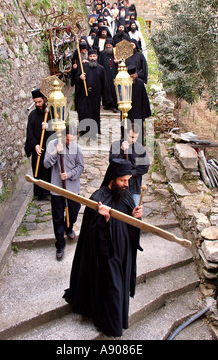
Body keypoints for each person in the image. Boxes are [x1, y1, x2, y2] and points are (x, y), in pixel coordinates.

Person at [63, 158, 143, 337]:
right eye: (123, 180)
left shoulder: (126, 195)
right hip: (106, 258)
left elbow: (130, 225)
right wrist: (106, 220)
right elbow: (93, 236)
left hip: (123, 254)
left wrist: (135, 216)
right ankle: (110, 326)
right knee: (112, 290)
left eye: (128, 180)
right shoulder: (97, 199)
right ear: (113, 178)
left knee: (118, 289)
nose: (126, 184)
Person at [44, 125, 84, 260]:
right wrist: (56, 152)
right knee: (57, 217)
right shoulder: (52, 144)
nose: (69, 143)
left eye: (72, 140)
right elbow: (46, 164)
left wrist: (69, 174)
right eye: (67, 140)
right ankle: (60, 244)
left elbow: (80, 166)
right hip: (57, 188)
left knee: (74, 211)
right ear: (62, 136)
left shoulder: (77, 148)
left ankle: (69, 226)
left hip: (72, 187)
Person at [110, 123, 150, 207]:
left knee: (133, 211)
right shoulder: (116, 145)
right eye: (131, 137)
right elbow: (112, 161)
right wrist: (121, 150)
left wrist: (131, 173)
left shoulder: (140, 148)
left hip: (134, 187)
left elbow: (145, 167)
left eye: (136, 137)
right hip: (118, 186)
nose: (133, 140)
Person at [75, 49, 112, 138]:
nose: (92, 58)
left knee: (94, 113)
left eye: (94, 56)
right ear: (88, 57)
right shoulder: (83, 67)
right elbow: (76, 78)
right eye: (91, 56)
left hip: (95, 96)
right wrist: (80, 78)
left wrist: (106, 98)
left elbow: (104, 83)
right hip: (84, 95)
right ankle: (84, 130)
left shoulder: (101, 69)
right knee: (84, 112)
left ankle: (94, 129)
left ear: (97, 57)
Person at [24, 89, 54, 200]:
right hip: (37, 148)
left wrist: (48, 127)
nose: (37, 105)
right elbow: (29, 132)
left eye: (39, 102)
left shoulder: (50, 114)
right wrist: (35, 145)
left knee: (49, 171)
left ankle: (49, 192)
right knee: (38, 170)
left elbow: (58, 131)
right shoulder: (32, 115)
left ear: (44, 100)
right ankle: (40, 193)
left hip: (48, 148)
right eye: (35, 102)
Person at [126, 65, 151, 143]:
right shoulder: (124, 83)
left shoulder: (140, 83)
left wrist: (144, 113)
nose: (131, 76)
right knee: (127, 129)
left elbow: (144, 99)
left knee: (138, 130)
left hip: (138, 111)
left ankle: (139, 146)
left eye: (133, 75)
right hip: (127, 111)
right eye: (130, 75)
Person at [98, 38, 119, 112]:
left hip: (115, 74)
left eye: (109, 45)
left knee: (114, 89)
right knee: (106, 89)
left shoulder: (116, 53)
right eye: (107, 45)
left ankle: (115, 106)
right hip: (105, 74)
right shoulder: (103, 53)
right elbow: (99, 63)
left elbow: (123, 61)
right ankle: (107, 104)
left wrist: (118, 61)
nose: (108, 46)